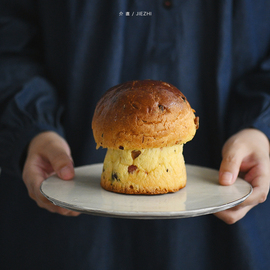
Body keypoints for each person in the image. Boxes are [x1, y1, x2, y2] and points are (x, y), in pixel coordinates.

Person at [0, 1, 269, 269]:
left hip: (227, 226)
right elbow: (9, 40)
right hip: (65, 224)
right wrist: (33, 128)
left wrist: (260, 128)